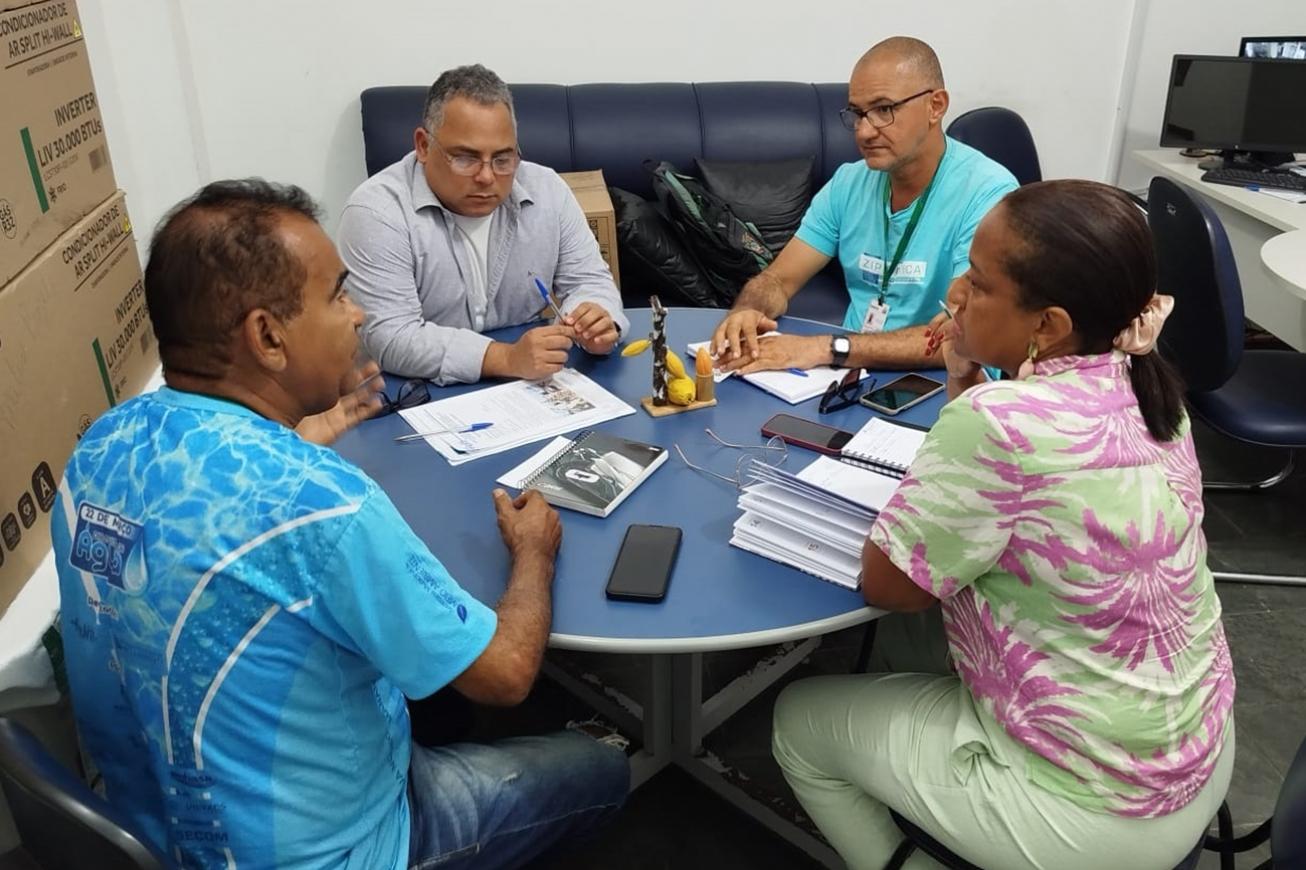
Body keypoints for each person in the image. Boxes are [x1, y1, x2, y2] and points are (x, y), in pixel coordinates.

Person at [51, 180, 628, 869]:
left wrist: (291, 440)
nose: (357, 315)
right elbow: (504, 675)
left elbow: (214, 517)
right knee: (599, 769)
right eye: (337, 296)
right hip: (342, 852)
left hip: (153, 826)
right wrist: (535, 552)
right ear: (268, 336)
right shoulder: (322, 503)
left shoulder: (102, 443)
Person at [772, 180, 1235, 869]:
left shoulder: (999, 423)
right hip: (1195, 753)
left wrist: (966, 413)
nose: (955, 293)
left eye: (978, 283)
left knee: (798, 723)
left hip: (1093, 814)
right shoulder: (1149, 386)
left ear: (1047, 326)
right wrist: (966, 379)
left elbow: (890, 587)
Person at [711, 36, 1017, 375]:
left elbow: (963, 334)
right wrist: (748, 310)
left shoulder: (989, 194)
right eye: (858, 114)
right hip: (851, 372)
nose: (864, 132)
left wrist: (826, 348)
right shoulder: (848, 183)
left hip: (946, 382)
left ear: (936, 106)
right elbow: (779, 281)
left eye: (884, 110)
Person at [339, 64, 628, 385]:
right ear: (423, 145)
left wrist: (598, 320)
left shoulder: (547, 190)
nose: (487, 176)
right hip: (415, 389)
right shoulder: (376, 211)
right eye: (466, 158)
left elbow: (590, 280)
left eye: (503, 159)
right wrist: (504, 358)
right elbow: (390, 335)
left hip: (529, 386)